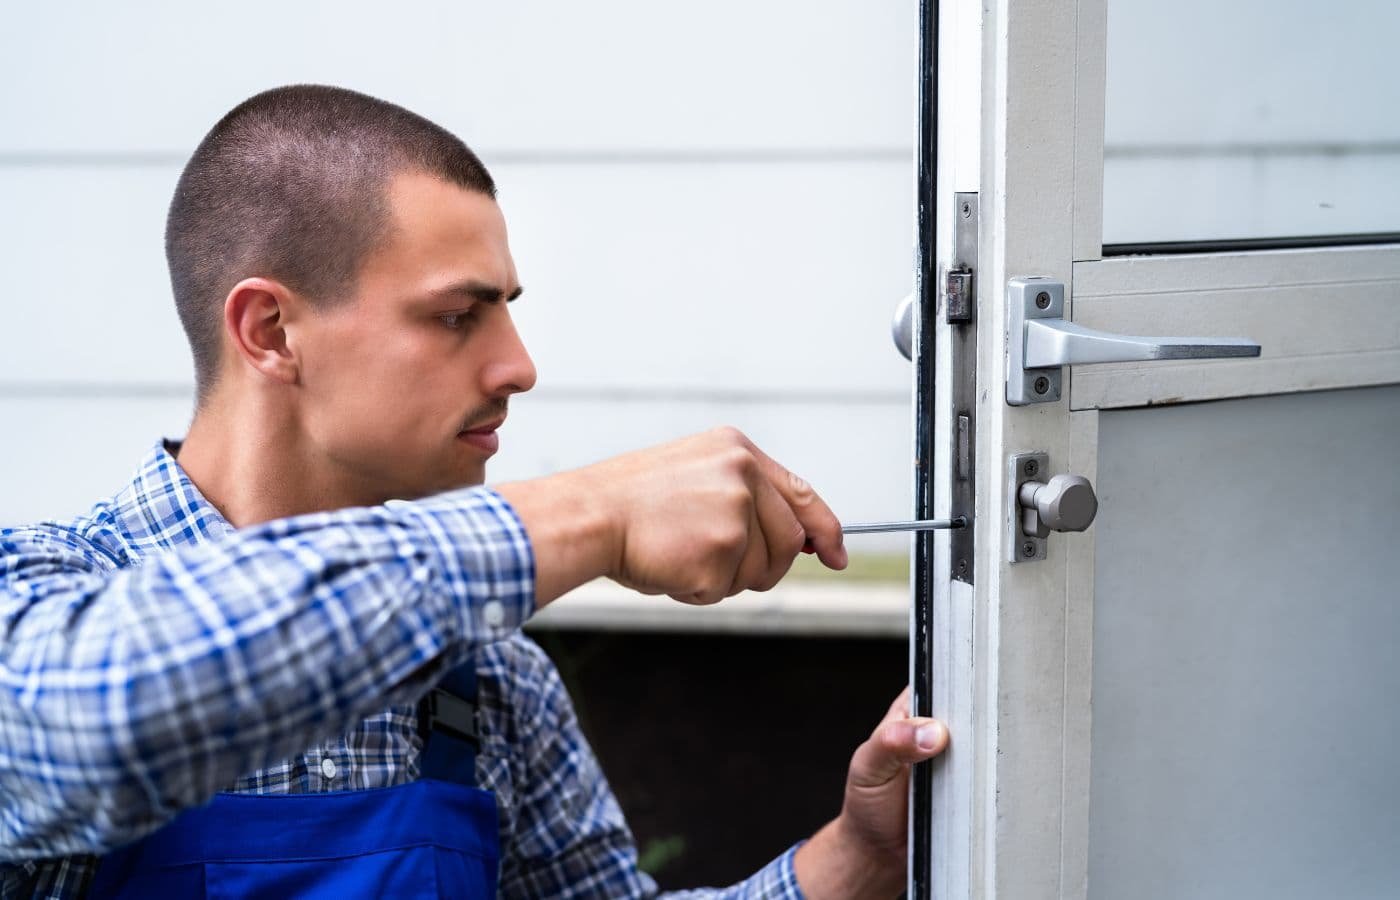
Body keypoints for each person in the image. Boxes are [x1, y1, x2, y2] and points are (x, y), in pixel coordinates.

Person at [0, 85, 949, 899]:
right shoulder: (39, 602)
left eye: (505, 311)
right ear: (271, 332)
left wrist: (861, 855)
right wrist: (590, 511)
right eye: (456, 316)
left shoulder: (490, 683)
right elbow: (95, 717)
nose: (519, 367)